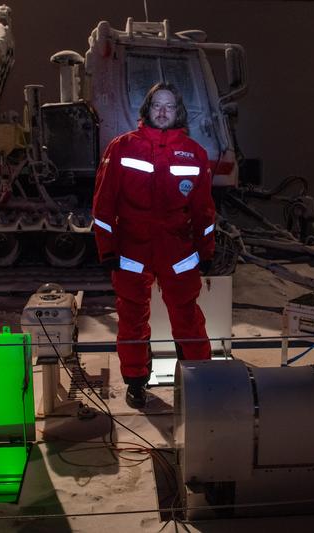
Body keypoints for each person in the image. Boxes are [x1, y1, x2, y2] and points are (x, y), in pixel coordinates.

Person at [92, 82, 216, 409]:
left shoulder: (195, 153)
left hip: (178, 250)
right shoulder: (121, 148)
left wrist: (207, 251)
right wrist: (106, 249)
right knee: (132, 319)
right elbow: (103, 206)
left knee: (187, 316)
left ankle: (199, 379)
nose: (162, 112)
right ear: (147, 109)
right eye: (157, 105)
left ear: (178, 112)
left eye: (169, 106)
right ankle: (135, 383)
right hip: (133, 249)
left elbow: (204, 211)